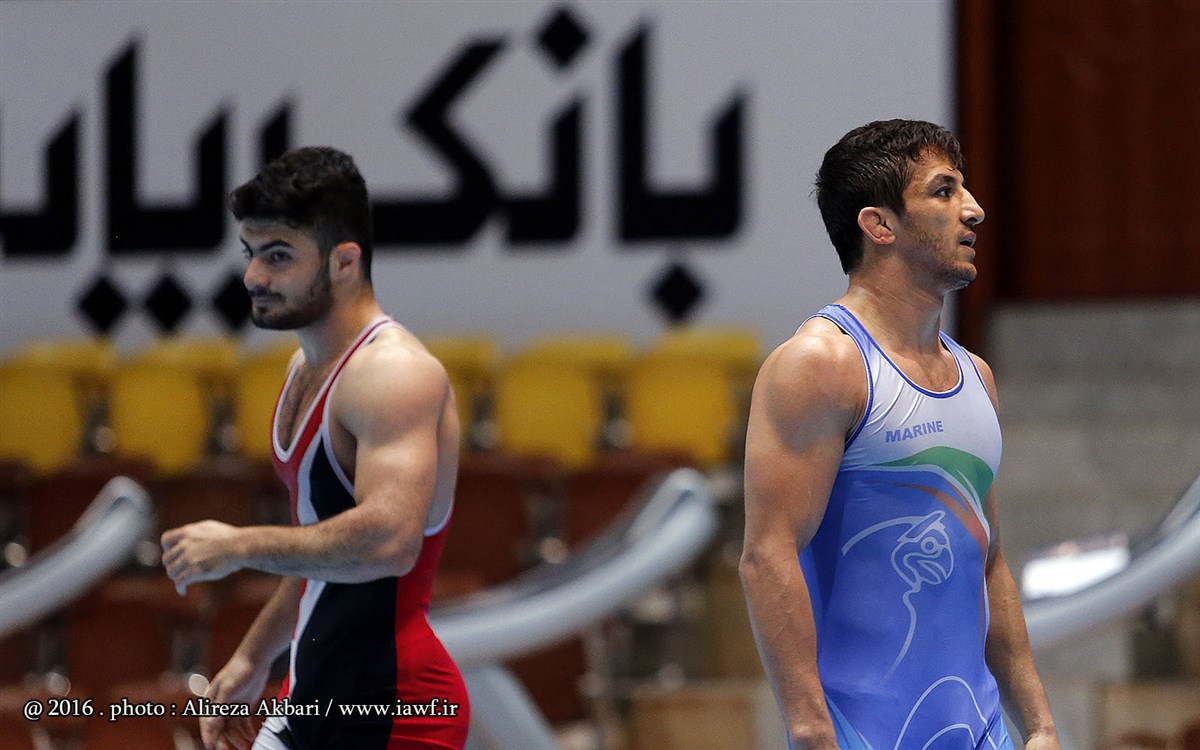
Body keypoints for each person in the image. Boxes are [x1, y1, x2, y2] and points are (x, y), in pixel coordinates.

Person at [740, 120, 1060, 750]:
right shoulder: (821, 366)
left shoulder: (976, 377)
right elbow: (767, 556)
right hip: (862, 736)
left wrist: (1041, 725)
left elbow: (989, 559)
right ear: (879, 225)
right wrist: (812, 733)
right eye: (944, 191)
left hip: (983, 732)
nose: (974, 209)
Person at [161, 146, 469, 750]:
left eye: (278, 256)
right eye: (250, 253)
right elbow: (324, 548)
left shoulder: (393, 374)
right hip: (313, 695)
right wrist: (254, 657)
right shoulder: (304, 368)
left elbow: (389, 541)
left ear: (344, 261)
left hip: (396, 711)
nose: (253, 277)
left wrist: (240, 545)